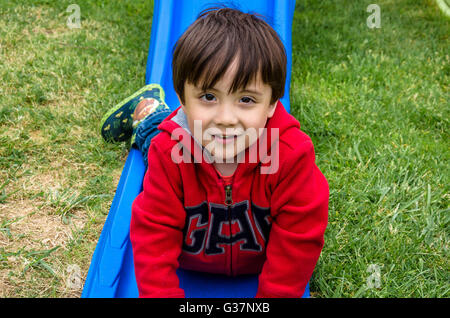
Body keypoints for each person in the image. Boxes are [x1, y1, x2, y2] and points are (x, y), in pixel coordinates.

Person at [100, 7, 329, 298]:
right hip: (187, 140)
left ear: (272, 104)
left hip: (251, 260)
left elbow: (300, 237)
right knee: (157, 136)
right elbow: (153, 235)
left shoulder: (290, 156)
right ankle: (149, 112)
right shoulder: (170, 152)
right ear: (182, 98)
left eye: (246, 99)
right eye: (209, 96)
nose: (225, 117)